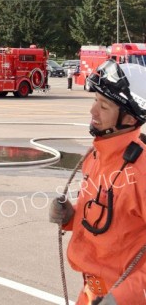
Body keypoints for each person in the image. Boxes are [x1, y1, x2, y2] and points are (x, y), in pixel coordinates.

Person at [49, 60, 146, 305]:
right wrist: (70, 216)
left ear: (128, 118)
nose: (93, 112)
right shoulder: (96, 157)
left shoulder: (141, 169)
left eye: (103, 106)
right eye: (94, 101)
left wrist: (124, 297)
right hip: (92, 293)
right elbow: (106, 218)